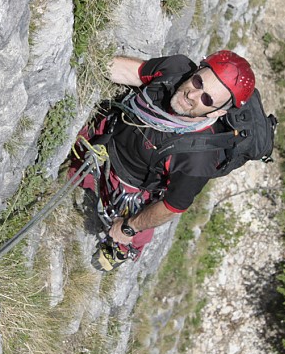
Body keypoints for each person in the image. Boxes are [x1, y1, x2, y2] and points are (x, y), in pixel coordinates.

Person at [71, 50, 256, 270]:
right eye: (198, 82)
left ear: (215, 113)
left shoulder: (198, 158)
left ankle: (122, 249)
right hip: (109, 135)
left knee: (128, 229)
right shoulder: (174, 70)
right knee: (70, 169)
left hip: (128, 183)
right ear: (196, 70)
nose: (192, 95)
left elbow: (171, 206)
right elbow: (128, 71)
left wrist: (129, 227)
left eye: (207, 99)